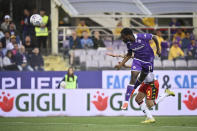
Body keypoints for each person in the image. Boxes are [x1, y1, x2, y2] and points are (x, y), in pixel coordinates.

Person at [106, 52, 175, 123]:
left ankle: (166, 94)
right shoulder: (142, 62)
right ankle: (150, 118)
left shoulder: (146, 62)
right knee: (138, 99)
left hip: (152, 84)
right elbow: (135, 62)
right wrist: (124, 63)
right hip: (145, 83)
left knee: (150, 105)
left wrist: (120, 57)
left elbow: (135, 61)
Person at [114, 28, 161, 110]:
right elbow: (129, 54)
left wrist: (158, 49)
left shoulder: (141, 36)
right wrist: (121, 64)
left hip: (148, 61)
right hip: (137, 60)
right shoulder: (128, 43)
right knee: (133, 77)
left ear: (128, 35)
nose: (123, 39)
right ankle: (125, 102)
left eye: (123, 37)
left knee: (140, 79)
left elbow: (154, 37)